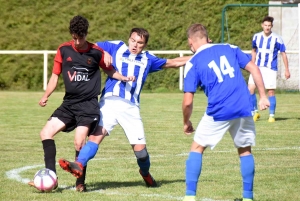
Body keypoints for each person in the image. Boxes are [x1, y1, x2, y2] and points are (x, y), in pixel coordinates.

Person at [58, 27, 192, 188]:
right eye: (133, 40)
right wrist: (104, 53)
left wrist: (200, 54)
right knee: (95, 138)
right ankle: (78, 164)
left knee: (142, 154)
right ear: (129, 39)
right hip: (109, 103)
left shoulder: (148, 59)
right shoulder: (116, 47)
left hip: (131, 108)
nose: (135, 45)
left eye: (140, 43)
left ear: (145, 44)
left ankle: (145, 173)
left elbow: (175, 62)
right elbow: (89, 45)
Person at [28, 15, 134, 192]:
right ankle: (51, 178)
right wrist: (46, 95)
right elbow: (55, 76)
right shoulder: (63, 50)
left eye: (80, 37)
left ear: (86, 34)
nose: (77, 42)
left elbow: (110, 70)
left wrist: (123, 77)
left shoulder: (96, 52)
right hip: (69, 104)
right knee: (45, 132)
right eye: (74, 37)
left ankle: (80, 183)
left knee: (79, 142)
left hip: (88, 105)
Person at [181, 24, 270, 201]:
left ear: (191, 42)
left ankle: (189, 196)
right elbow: (254, 68)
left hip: (219, 110)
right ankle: (248, 197)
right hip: (243, 106)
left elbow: (188, 101)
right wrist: (263, 96)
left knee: (197, 148)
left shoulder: (193, 62)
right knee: (245, 151)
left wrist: (186, 122)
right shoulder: (230, 48)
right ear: (208, 37)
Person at [248, 16, 290, 123]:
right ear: (262, 25)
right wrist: (251, 64)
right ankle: (255, 112)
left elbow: (283, 54)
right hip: (257, 67)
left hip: (270, 68)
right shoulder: (256, 37)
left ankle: (271, 115)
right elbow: (253, 51)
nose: (267, 27)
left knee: (270, 91)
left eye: (269, 26)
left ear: (271, 26)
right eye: (265, 25)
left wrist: (287, 69)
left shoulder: (277, 38)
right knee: (250, 89)